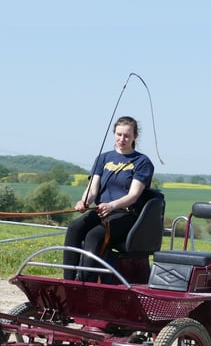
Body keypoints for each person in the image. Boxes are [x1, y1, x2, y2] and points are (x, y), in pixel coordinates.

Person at [63, 116, 155, 280]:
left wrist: (111, 205)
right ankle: (67, 280)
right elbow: (92, 189)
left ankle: (86, 283)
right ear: (114, 134)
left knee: (93, 236)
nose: (122, 139)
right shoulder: (103, 158)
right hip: (101, 211)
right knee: (74, 227)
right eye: (119, 134)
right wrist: (84, 201)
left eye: (127, 136)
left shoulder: (142, 162)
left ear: (135, 137)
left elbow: (133, 196)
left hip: (125, 215)